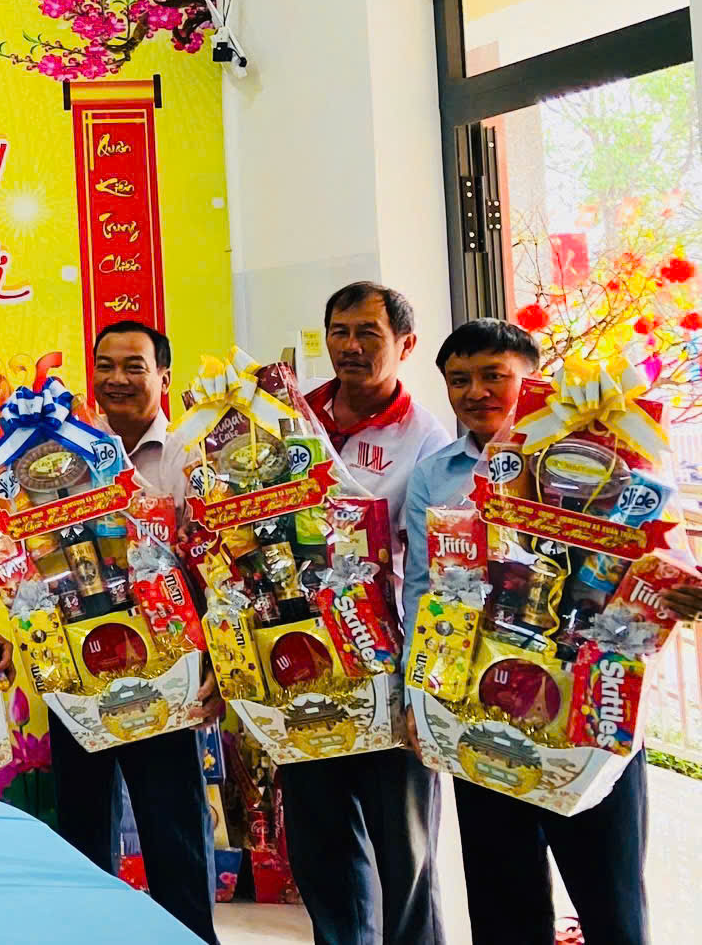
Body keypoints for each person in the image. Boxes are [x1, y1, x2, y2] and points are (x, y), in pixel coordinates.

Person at [401, 320, 702, 945]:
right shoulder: (435, 476)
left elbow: (663, 559)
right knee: (502, 901)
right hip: (479, 705)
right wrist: (418, 692)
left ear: (531, 382)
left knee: (611, 899)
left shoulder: (607, 464)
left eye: (494, 376)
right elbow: (424, 589)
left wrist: (680, 592)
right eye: (459, 380)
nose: (475, 392)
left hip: (593, 708)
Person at [284, 283, 451, 945]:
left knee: (405, 853)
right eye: (339, 331)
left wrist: (420, 679)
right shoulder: (291, 416)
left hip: (387, 667)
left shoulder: (427, 440)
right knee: (321, 844)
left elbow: (433, 569)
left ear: (405, 345)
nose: (350, 346)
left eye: (368, 334)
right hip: (301, 662)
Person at [55, 319, 221, 945]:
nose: (117, 379)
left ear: (163, 377)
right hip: (79, 663)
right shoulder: (62, 454)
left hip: (168, 664)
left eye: (134, 366)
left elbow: (215, 561)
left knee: (173, 823)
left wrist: (220, 661)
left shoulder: (187, 455)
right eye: (105, 365)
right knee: (83, 825)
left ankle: (191, 937)